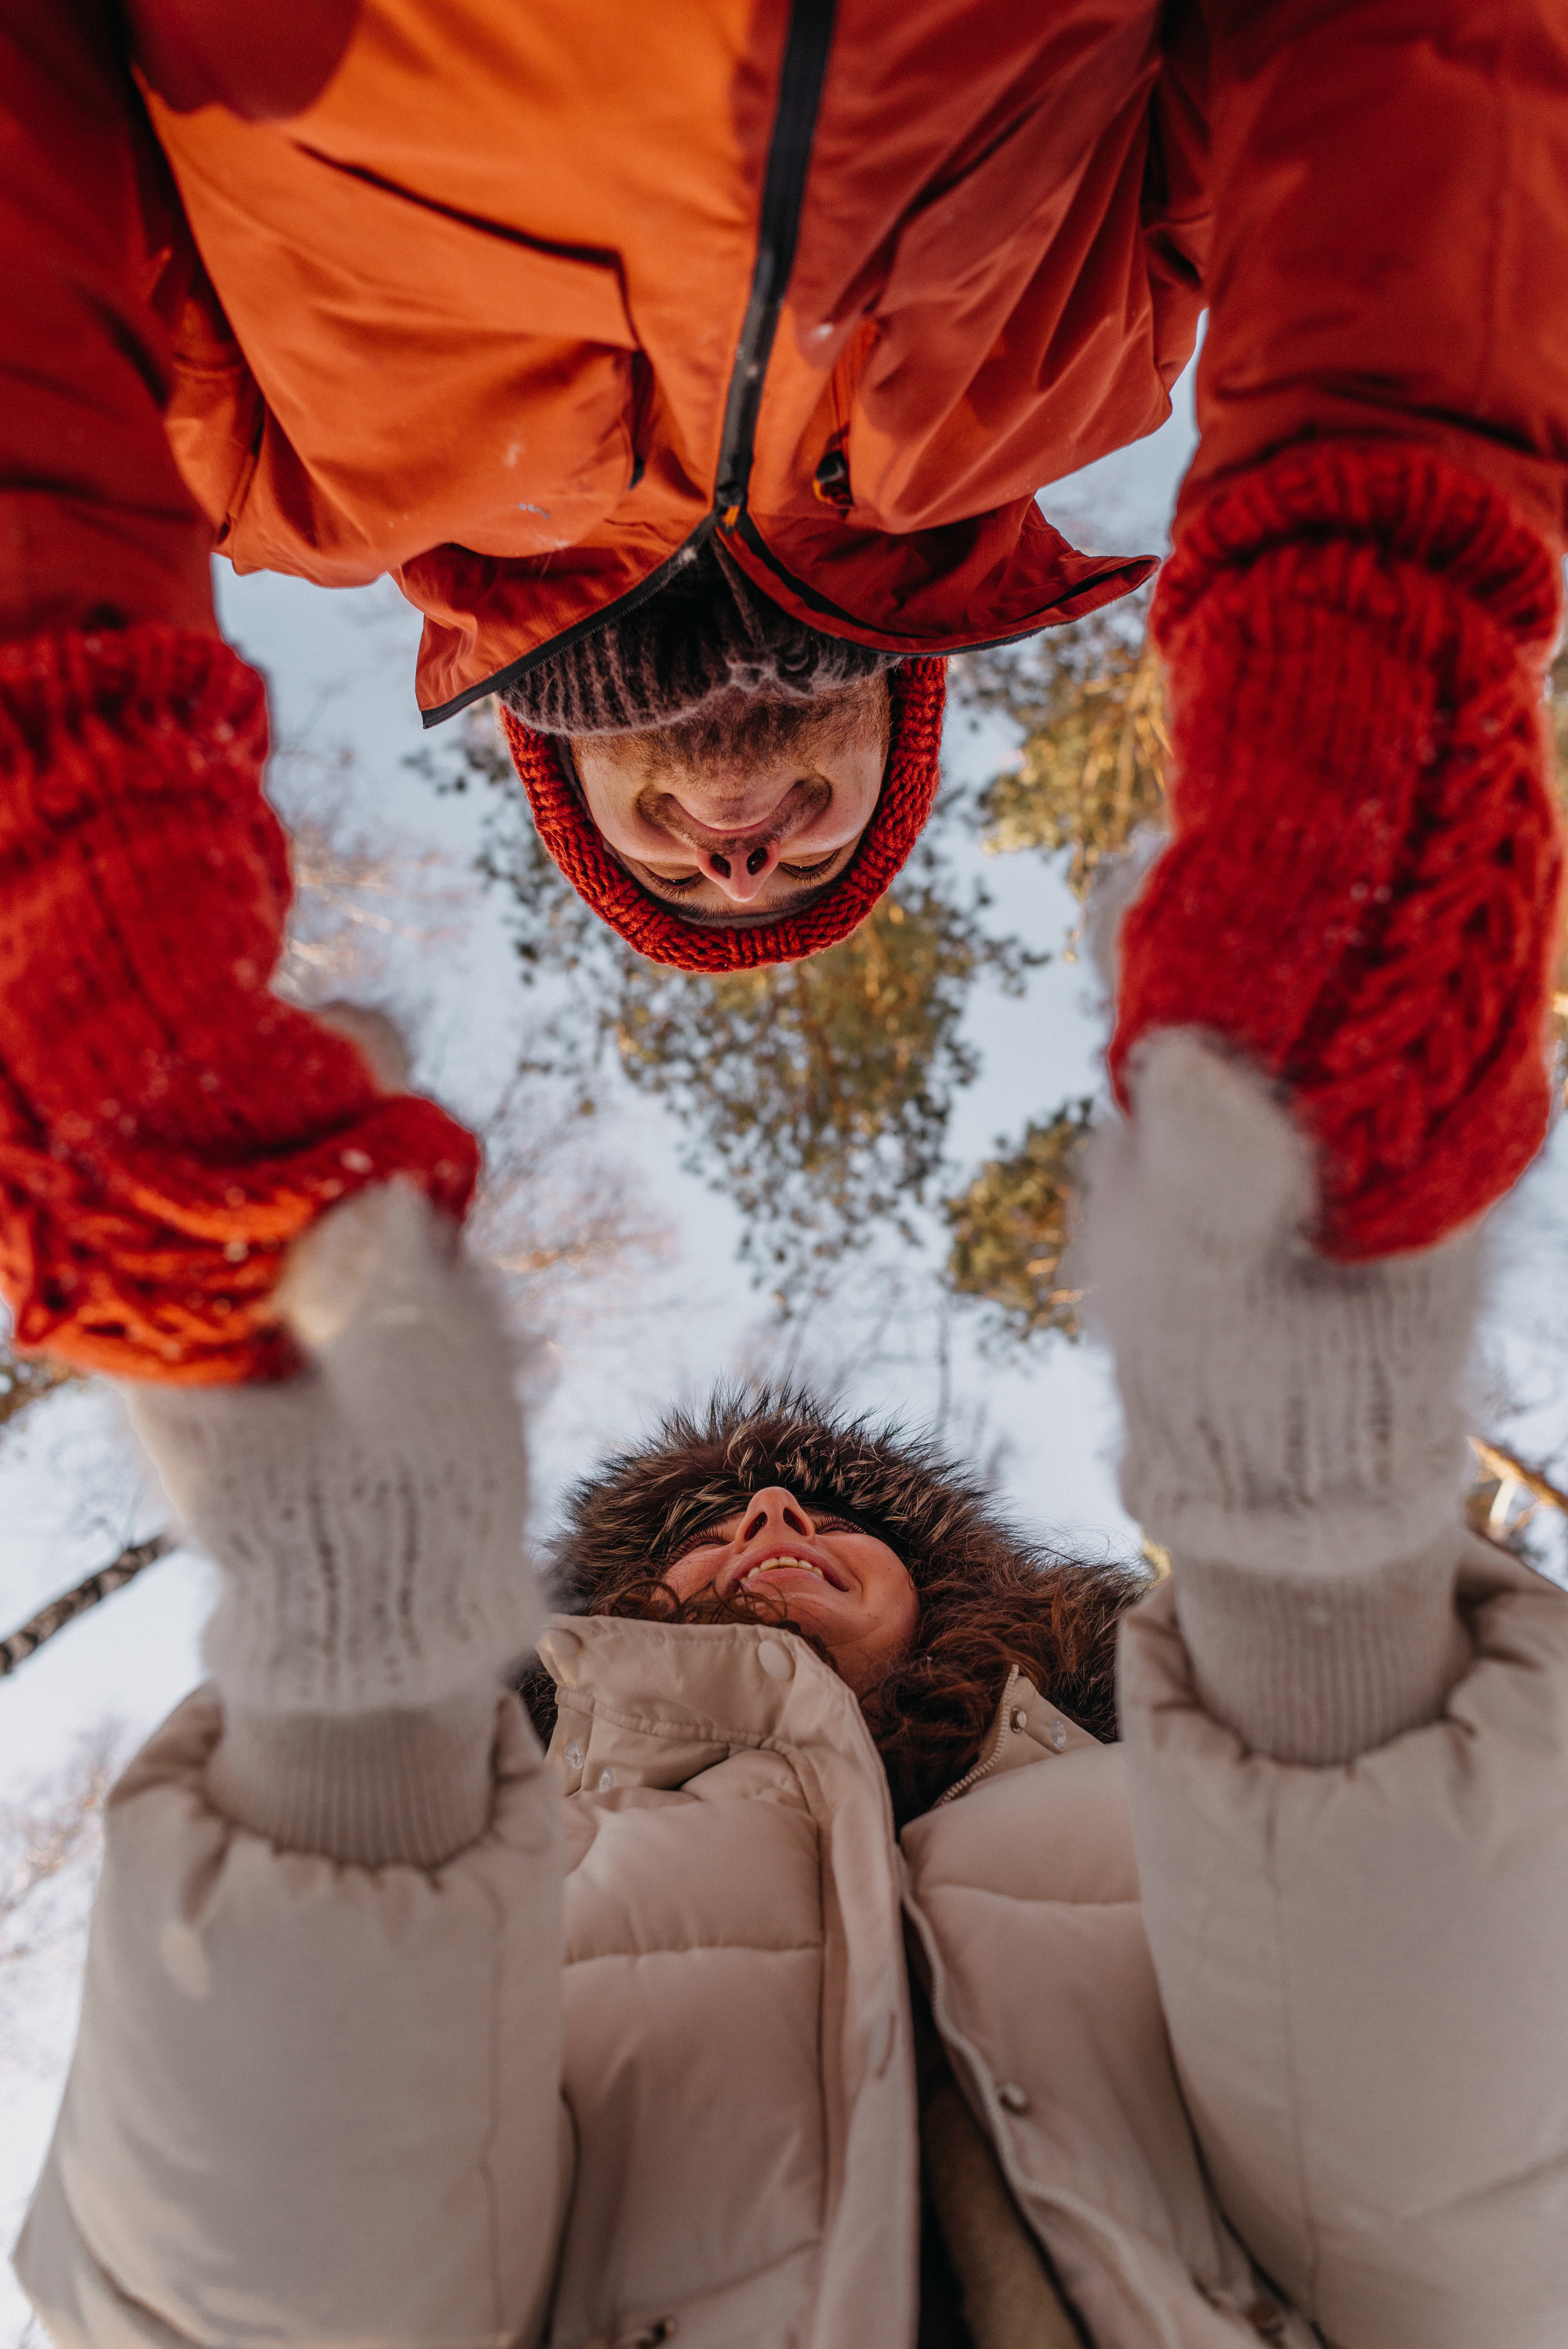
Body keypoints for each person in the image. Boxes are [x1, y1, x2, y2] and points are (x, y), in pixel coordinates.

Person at [14, 937, 1568, 2347]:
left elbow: (1496, 2217)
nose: (769, 1519)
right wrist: (347, 1702)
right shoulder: (517, 1867)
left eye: (823, 1517)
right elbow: (254, 2313)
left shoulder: (1175, 1786)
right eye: (717, 1527)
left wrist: (1318, 1577)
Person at [4, 0, 1567, 1387]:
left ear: (564, 780)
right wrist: (1389, 588)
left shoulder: (275, 474)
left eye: (674, 869)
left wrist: (45, 828)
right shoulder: (1092, 371)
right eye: (807, 862)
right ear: (903, 726)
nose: (741, 854)